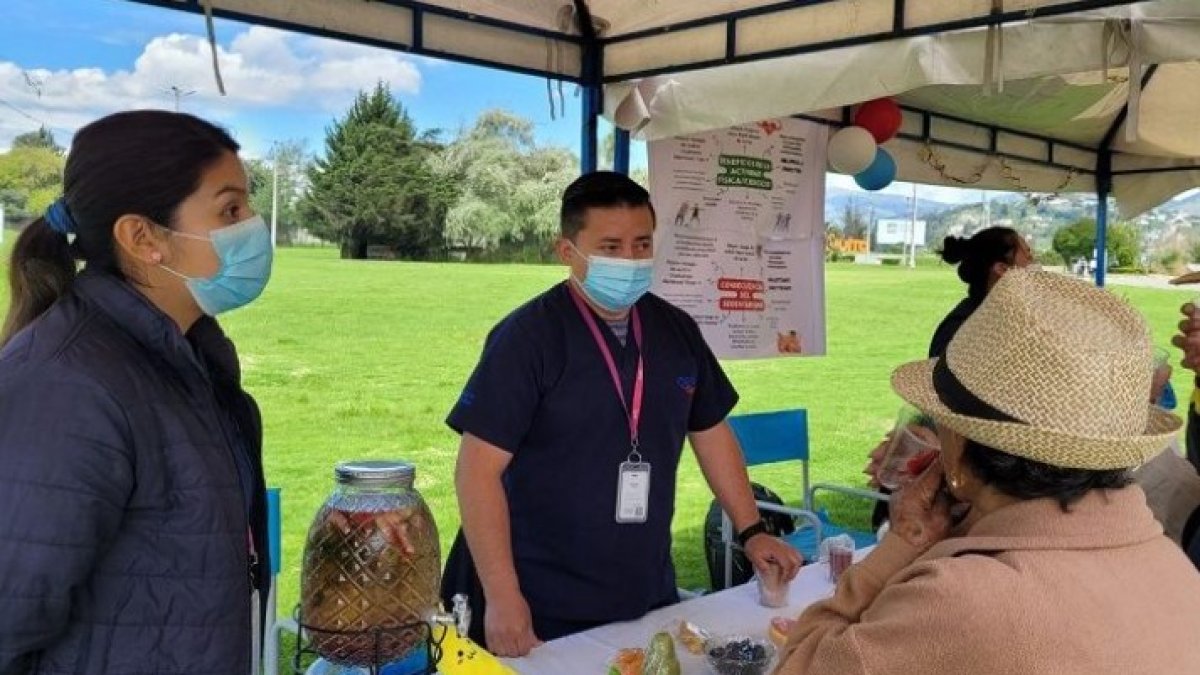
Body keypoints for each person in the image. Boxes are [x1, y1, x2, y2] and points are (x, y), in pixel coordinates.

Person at [441, 171, 802, 657]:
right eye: (611, 247)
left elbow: (712, 433)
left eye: (642, 244)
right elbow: (476, 472)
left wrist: (752, 530)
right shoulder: (527, 339)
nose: (629, 260)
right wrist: (504, 596)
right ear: (567, 251)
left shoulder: (676, 331)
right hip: (536, 593)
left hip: (640, 586)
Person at [774, 270, 1200, 675]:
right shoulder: (1176, 570)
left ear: (958, 452)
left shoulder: (959, 598)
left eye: (942, 426)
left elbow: (800, 665)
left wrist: (903, 543)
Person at [0, 111, 273, 674]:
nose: (254, 226)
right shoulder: (67, 386)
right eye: (230, 210)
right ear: (142, 237)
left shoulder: (185, 355)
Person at [868, 227, 1035, 525]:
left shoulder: (1003, 319)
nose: (1035, 261)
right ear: (1001, 269)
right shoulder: (966, 329)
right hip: (953, 484)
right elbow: (944, 406)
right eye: (1027, 253)